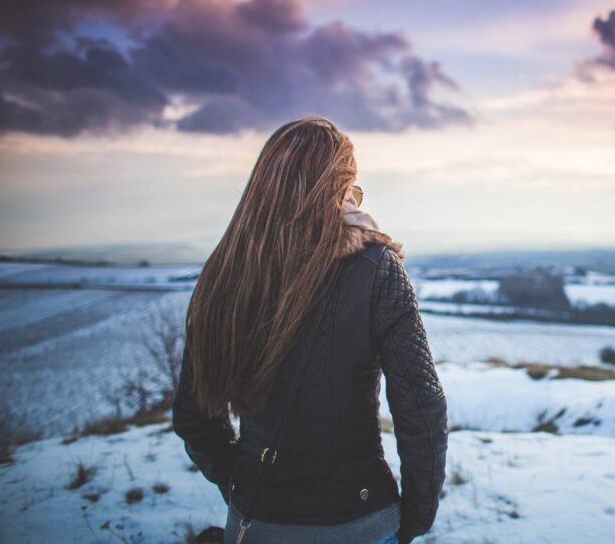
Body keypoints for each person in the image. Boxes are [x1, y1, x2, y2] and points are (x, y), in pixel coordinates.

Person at [171, 116, 448, 544]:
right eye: (350, 187)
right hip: (359, 522)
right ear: (338, 187)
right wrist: (415, 515)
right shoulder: (374, 268)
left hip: (254, 524)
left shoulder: (224, 273)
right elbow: (422, 406)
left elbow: (194, 416)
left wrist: (244, 486)